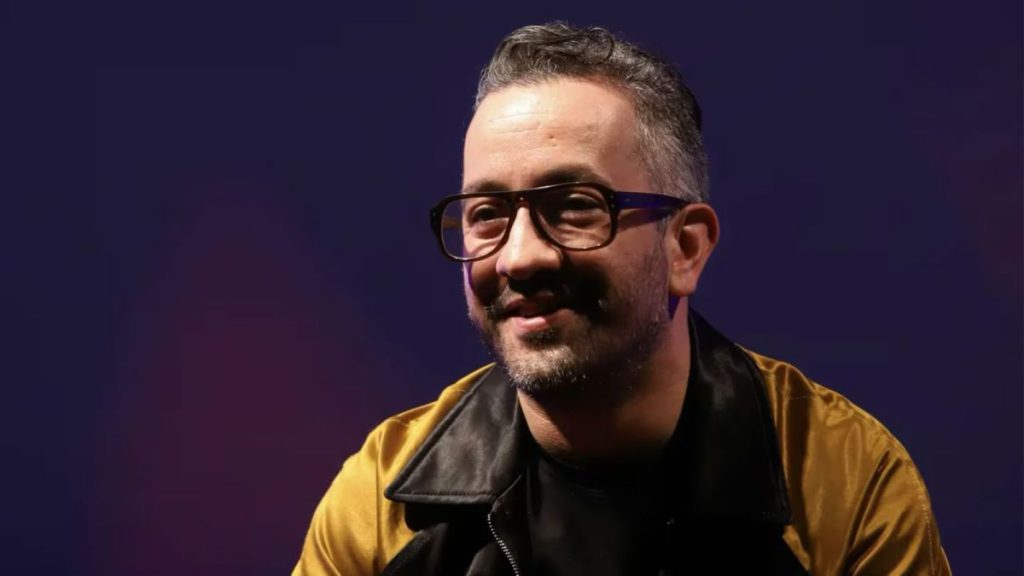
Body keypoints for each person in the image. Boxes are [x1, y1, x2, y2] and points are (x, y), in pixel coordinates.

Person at [293, 23, 950, 575]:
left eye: (575, 207)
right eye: (487, 214)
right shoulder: (382, 501)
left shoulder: (841, 480)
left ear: (685, 248)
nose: (519, 257)